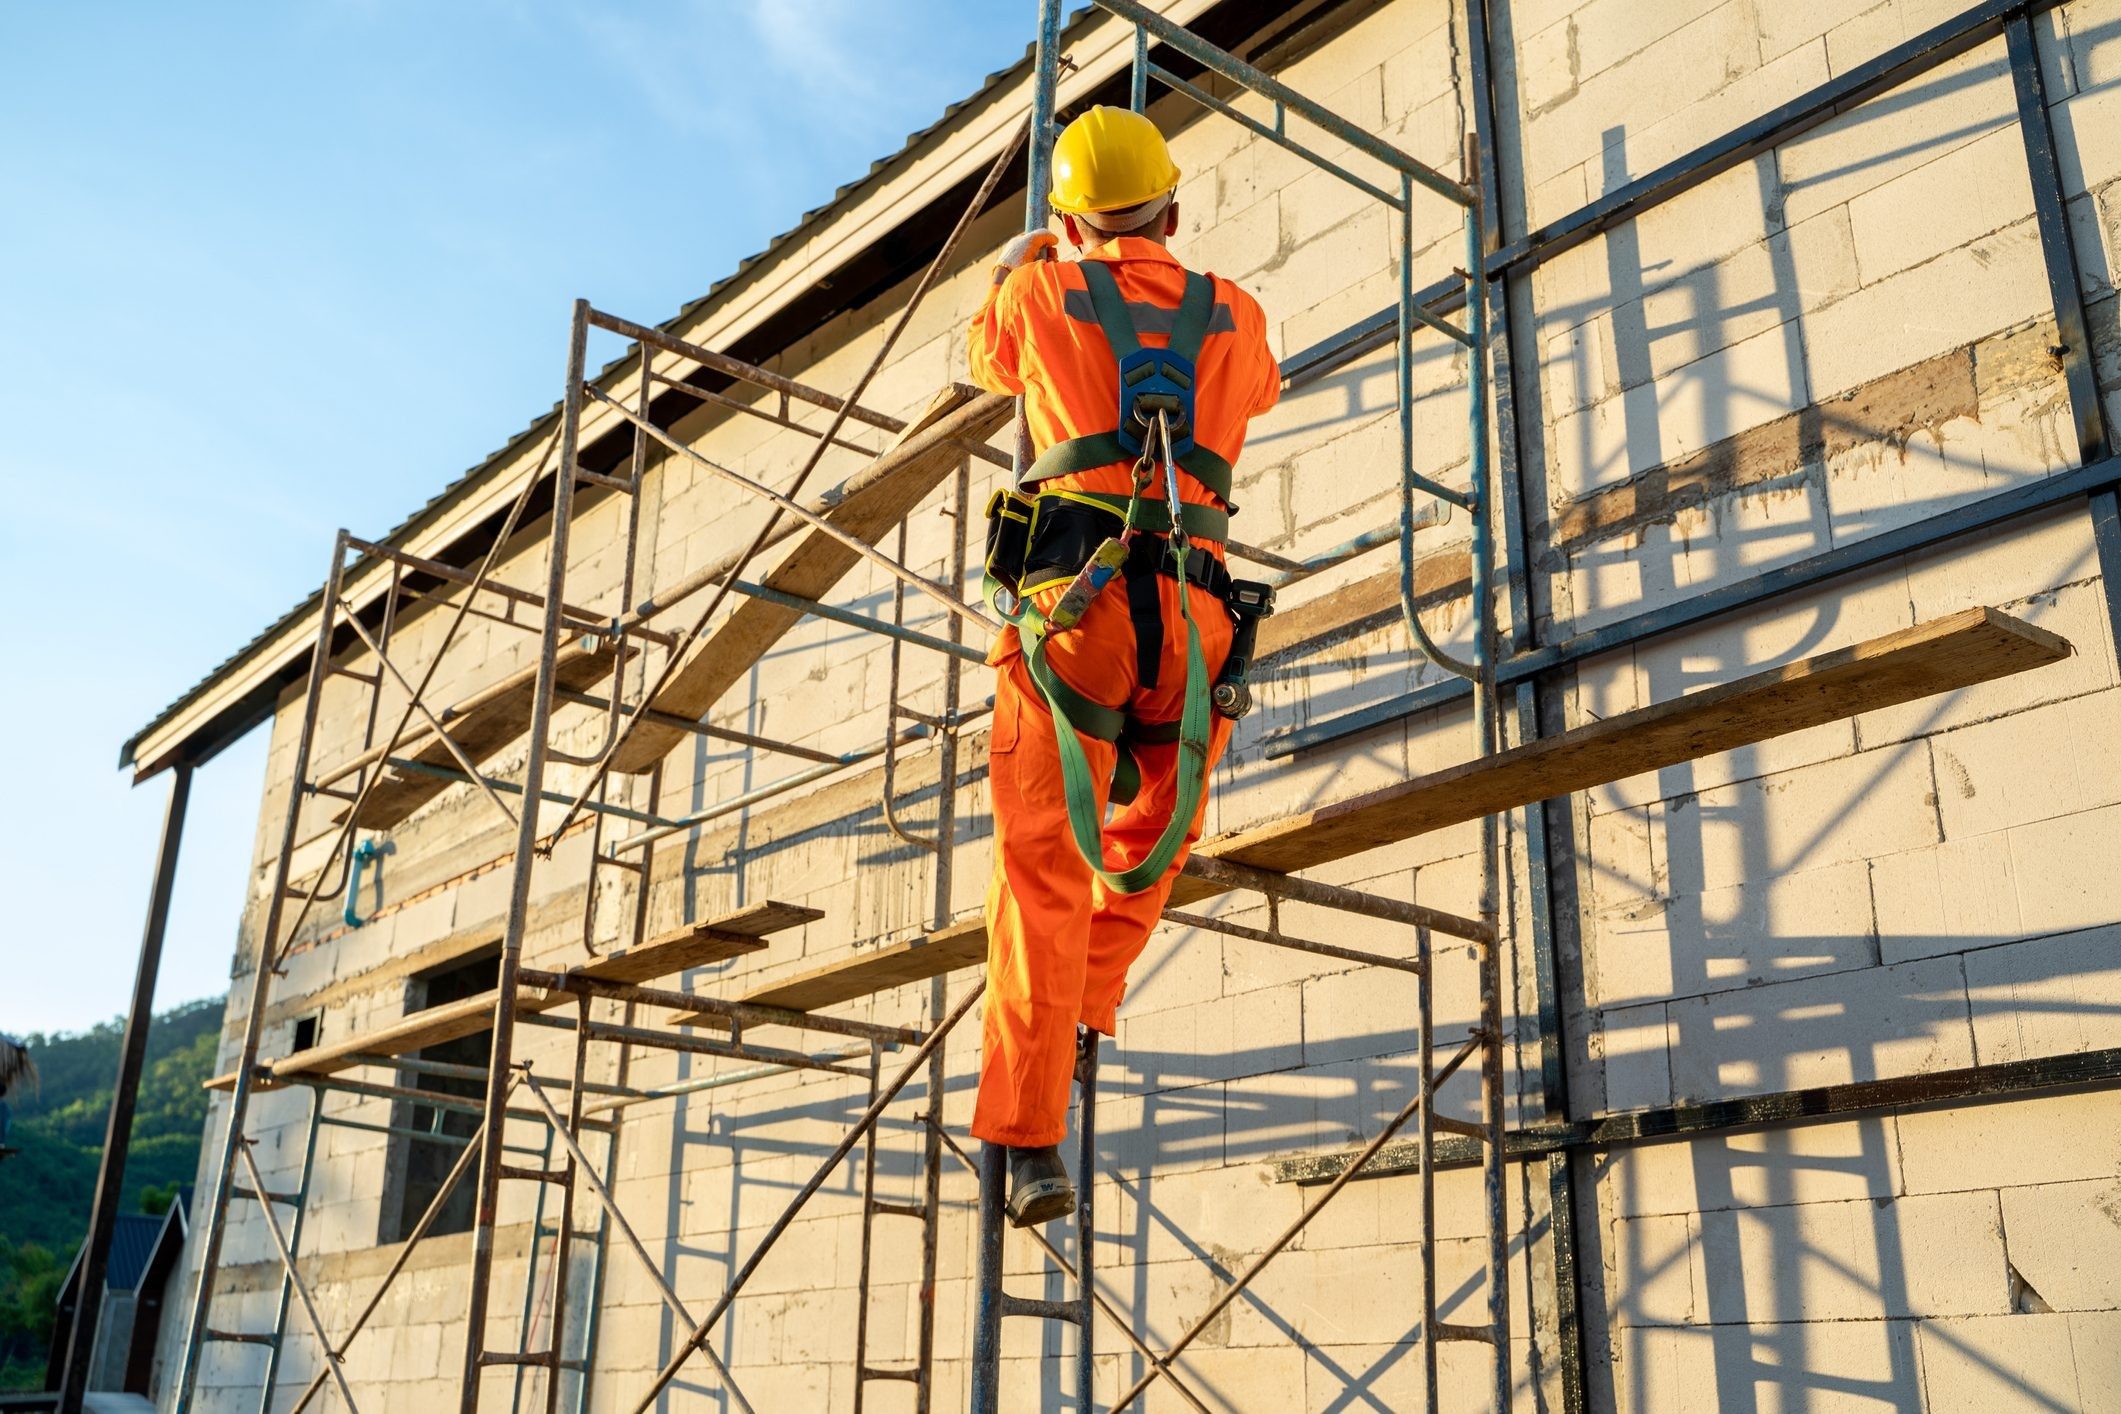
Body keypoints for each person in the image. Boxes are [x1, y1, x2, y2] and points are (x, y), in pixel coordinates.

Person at [966, 105, 1281, 1225]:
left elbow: (983, 356)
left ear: (1065, 217)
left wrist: (1030, 256)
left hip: (1076, 614)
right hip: (1190, 623)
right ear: (1175, 208)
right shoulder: (1236, 312)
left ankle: (1029, 1133)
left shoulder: (1038, 294)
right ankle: (1086, 1003)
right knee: (1150, 847)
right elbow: (1262, 390)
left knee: (1043, 873)